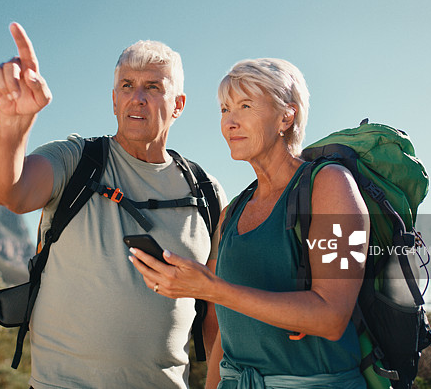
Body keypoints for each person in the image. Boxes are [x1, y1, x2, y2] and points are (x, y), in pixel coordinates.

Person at [0, 22, 227, 389]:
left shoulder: (206, 191)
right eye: (127, 85)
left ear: (179, 105)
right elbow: (7, 191)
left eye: (153, 87)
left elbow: (215, 307)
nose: (137, 97)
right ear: (114, 100)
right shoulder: (76, 159)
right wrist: (14, 122)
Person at [130, 58, 370, 388]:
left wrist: (213, 289)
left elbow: (332, 316)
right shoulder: (231, 214)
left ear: (287, 115)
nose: (230, 122)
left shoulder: (330, 186)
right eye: (225, 109)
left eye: (245, 105)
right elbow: (225, 336)